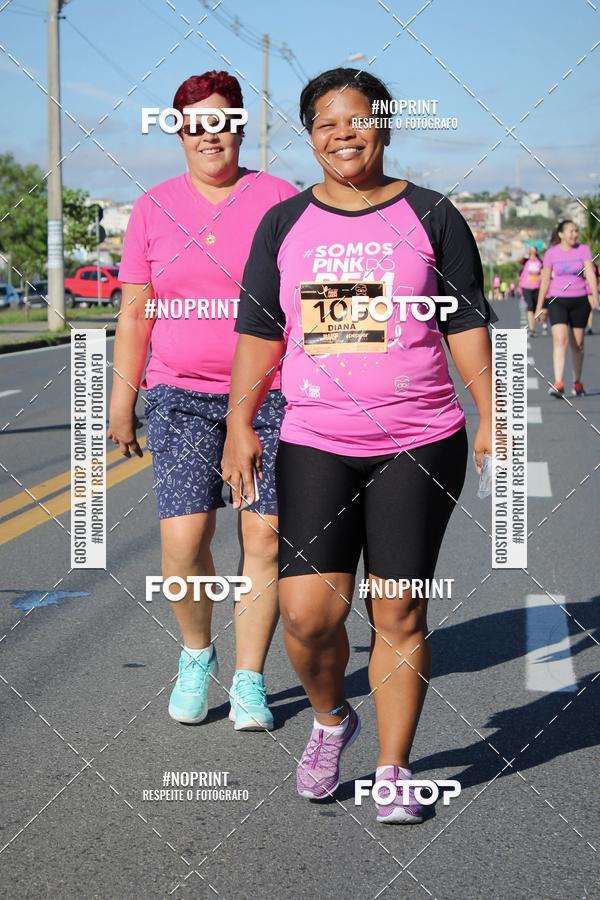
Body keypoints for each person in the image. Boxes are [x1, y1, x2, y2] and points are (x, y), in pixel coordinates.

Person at [221, 68, 494, 823]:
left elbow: (465, 320)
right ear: (310, 135)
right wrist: (241, 423)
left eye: (358, 120)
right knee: (308, 615)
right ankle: (333, 719)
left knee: (397, 611)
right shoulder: (283, 224)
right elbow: (258, 333)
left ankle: (395, 769)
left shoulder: (433, 215)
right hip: (315, 439)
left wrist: (491, 409)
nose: (343, 135)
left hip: (419, 438)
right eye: (325, 124)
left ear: (385, 126)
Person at [108, 71, 296, 730]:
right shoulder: (152, 209)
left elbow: (303, 302)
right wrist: (121, 401)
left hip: (269, 394)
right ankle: (196, 654)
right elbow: (136, 314)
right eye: (195, 123)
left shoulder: (280, 200)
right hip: (180, 396)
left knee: (264, 538)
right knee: (185, 543)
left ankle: (249, 680)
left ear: (239, 128)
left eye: (221, 121)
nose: (209, 135)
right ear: (180, 132)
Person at [535, 220, 598, 397]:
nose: (574, 234)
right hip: (557, 300)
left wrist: (595, 296)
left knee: (578, 344)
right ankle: (558, 382)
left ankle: (577, 382)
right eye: (571, 231)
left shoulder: (583, 249)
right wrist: (540, 306)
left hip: (580, 300)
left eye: (576, 231)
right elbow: (545, 281)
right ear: (561, 234)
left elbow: (590, 273)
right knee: (560, 339)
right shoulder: (551, 253)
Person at [519, 246, 543, 336]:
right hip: (526, 287)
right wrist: (526, 251)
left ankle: (533, 327)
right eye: (531, 250)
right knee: (530, 306)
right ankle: (532, 329)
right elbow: (519, 259)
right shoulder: (526, 260)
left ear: (536, 251)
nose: (532, 252)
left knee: (536, 308)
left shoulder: (540, 262)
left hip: (537, 287)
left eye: (534, 250)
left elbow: (544, 273)